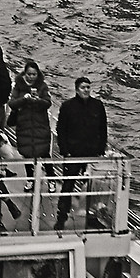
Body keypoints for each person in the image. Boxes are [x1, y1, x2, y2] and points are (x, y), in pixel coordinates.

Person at [53, 77, 110, 231]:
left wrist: (100, 149)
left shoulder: (97, 106)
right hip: (74, 153)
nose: (86, 90)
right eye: (83, 87)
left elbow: (103, 129)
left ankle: (91, 217)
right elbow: (61, 130)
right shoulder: (68, 106)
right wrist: (65, 151)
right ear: (77, 89)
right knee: (68, 185)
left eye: (88, 87)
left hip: (91, 153)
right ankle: (61, 217)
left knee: (92, 186)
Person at [9, 61, 53, 161]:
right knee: (26, 152)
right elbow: (12, 103)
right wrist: (24, 99)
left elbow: (48, 103)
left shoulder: (43, 86)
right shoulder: (18, 86)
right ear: (25, 74)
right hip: (24, 124)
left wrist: (39, 100)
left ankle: (50, 174)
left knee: (44, 151)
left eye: (34, 74)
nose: (32, 77)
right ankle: (30, 175)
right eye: (29, 74)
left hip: (40, 124)